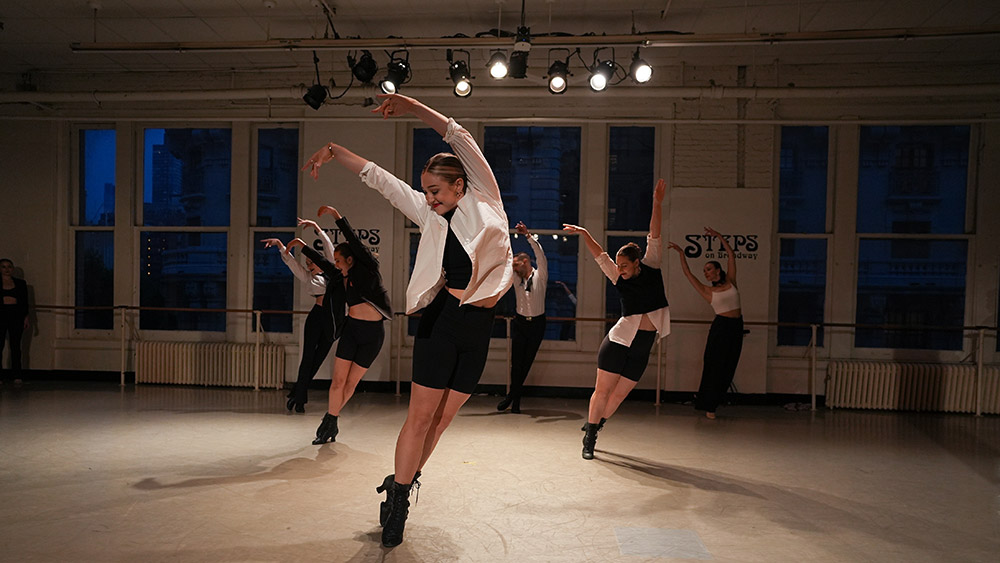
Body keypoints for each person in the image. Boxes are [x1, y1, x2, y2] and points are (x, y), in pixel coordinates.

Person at [302, 93, 512, 548]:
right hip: (442, 323)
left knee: (442, 421)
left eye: (436, 190)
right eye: (426, 192)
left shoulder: (487, 198)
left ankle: (402, 478)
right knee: (420, 418)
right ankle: (398, 502)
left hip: (479, 328)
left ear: (460, 185)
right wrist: (335, 151)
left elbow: (457, 134)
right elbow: (380, 179)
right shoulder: (428, 214)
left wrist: (411, 105)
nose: (429, 199)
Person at [562, 179, 668, 460]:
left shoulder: (652, 265)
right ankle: (590, 438)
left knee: (619, 396)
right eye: (618, 266)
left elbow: (655, 234)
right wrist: (585, 233)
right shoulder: (617, 276)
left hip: (643, 344)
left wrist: (657, 203)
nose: (619, 269)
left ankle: (595, 424)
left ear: (637, 263)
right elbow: (600, 255)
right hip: (618, 341)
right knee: (602, 391)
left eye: (624, 265)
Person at [288, 206, 392, 444]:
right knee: (338, 382)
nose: (335, 264)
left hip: (373, 335)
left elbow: (354, 242)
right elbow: (322, 262)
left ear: (350, 259)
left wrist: (336, 217)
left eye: (339, 260)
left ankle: (330, 419)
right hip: (352, 331)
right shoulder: (338, 277)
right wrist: (301, 246)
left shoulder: (368, 270)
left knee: (351, 383)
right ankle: (331, 422)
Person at [262, 223, 342, 414]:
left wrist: (316, 227)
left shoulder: (334, 274)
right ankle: (299, 399)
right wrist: (280, 245)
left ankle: (297, 393)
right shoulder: (309, 278)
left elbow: (329, 249)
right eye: (307, 262)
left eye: (311, 262)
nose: (308, 265)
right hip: (316, 317)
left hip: (332, 320)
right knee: (307, 358)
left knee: (318, 359)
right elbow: (291, 264)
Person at [667, 227, 743, 419]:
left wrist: (719, 237)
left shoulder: (731, 281)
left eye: (709, 269)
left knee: (729, 366)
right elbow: (688, 274)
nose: (706, 273)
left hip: (736, 326)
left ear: (718, 270)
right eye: (704, 271)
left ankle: (714, 401)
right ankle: (708, 405)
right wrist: (681, 254)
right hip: (721, 327)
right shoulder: (707, 290)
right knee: (714, 365)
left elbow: (731, 255)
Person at [497, 221, 547, 414]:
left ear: (525, 262)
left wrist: (527, 235)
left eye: (517, 264)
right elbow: (504, 262)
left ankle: (511, 397)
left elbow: (540, 255)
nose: (514, 268)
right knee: (516, 363)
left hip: (537, 324)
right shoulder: (516, 278)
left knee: (526, 363)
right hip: (520, 323)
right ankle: (515, 401)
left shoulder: (541, 276)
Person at [0, 259, 29, 386]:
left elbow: (24, 301)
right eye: (3, 267)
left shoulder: (20, 283)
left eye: (9, 267)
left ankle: (17, 375)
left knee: (16, 346)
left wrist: (26, 317)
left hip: (16, 315)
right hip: (1, 315)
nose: (7, 269)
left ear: (12, 268)